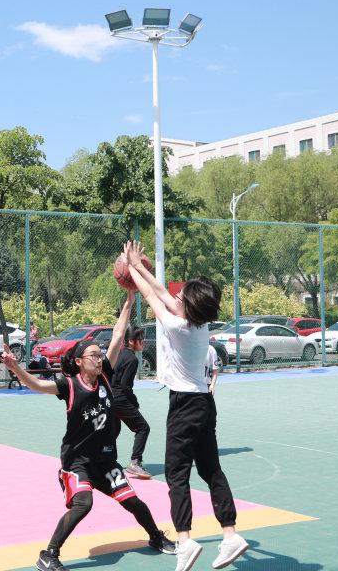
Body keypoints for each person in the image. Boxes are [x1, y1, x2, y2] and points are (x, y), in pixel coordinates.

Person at [0, 289, 176, 571]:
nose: (99, 358)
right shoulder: (69, 385)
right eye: (93, 355)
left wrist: (129, 301)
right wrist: (15, 367)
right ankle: (49, 554)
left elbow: (117, 336)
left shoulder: (105, 376)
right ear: (79, 362)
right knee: (83, 503)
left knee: (133, 501)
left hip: (105, 461)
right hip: (77, 462)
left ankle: (156, 537)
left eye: (99, 355)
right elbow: (36, 384)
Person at [123, 240, 249, 571]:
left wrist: (133, 266)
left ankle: (184, 541)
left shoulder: (177, 326)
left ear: (187, 307)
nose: (175, 296)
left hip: (184, 405)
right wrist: (142, 268)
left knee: (176, 474)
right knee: (211, 470)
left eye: (180, 297)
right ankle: (230, 534)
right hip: (204, 402)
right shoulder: (199, 323)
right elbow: (162, 292)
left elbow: (152, 296)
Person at [107, 304, 154, 480]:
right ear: (131, 341)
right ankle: (135, 462)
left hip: (109, 398)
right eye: (140, 339)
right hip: (119, 398)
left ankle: (102, 459)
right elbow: (125, 386)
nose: (143, 342)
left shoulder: (118, 354)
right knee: (143, 428)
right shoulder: (132, 359)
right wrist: (134, 402)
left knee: (113, 431)